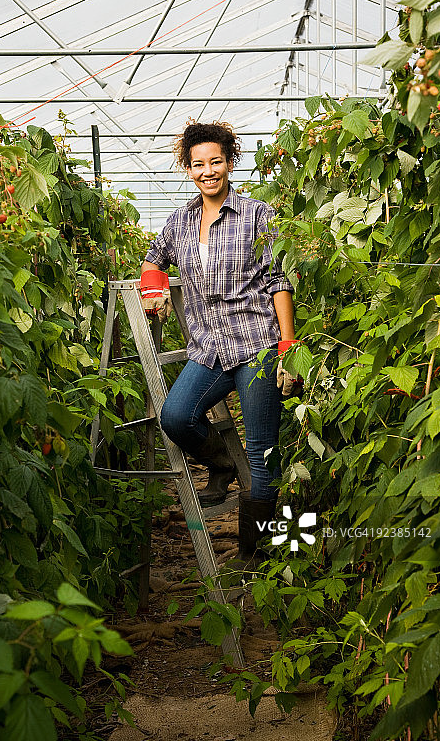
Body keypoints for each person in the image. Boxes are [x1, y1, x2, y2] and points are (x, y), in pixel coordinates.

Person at [139, 120, 297, 562]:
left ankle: (257, 554)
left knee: (262, 452)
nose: (208, 171)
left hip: (257, 345)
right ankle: (222, 464)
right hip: (208, 346)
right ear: (187, 168)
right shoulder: (181, 221)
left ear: (229, 162)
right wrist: (153, 284)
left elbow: (279, 279)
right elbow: (154, 256)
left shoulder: (256, 214)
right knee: (175, 416)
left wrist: (287, 346)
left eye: (216, 162)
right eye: (198, 164)